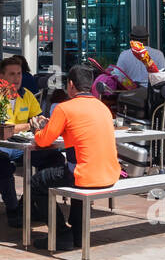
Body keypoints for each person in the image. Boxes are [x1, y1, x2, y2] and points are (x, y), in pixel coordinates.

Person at [28, 64, 120, 248]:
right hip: (110, 174)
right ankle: (76, 234)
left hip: (84, 175)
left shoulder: (64, 108)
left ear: (70, 85)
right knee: (75, 172)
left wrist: (37, 129)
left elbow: (44, 141)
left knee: (37, 182)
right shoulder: (103, 108)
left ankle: (61, 233)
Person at [0, 57, 45, 228]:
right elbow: (3, 129)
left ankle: (29, 201)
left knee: (51, 159)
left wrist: (41, 121)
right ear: (1, 76)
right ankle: (13, 209)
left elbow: (38, 117)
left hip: (21, 146)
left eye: (19, 74)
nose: (17, 78)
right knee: (3, 163)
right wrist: (30, 124)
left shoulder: (27, 95)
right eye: (12, 74)